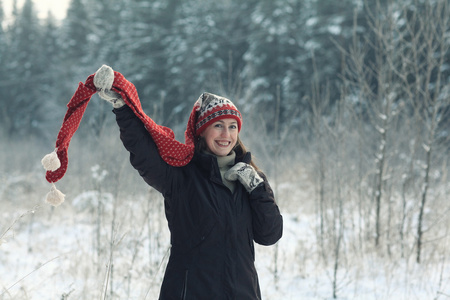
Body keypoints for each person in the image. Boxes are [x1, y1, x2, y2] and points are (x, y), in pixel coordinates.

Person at [94, 65, 283, 299]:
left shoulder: (252, 179)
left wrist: (257, 189)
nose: (226, 134)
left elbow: (270, 234)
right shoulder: (182, 176)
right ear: (202, 131)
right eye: (218, 126)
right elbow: (144, 155)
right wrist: (123, 109)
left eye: (232, 127)